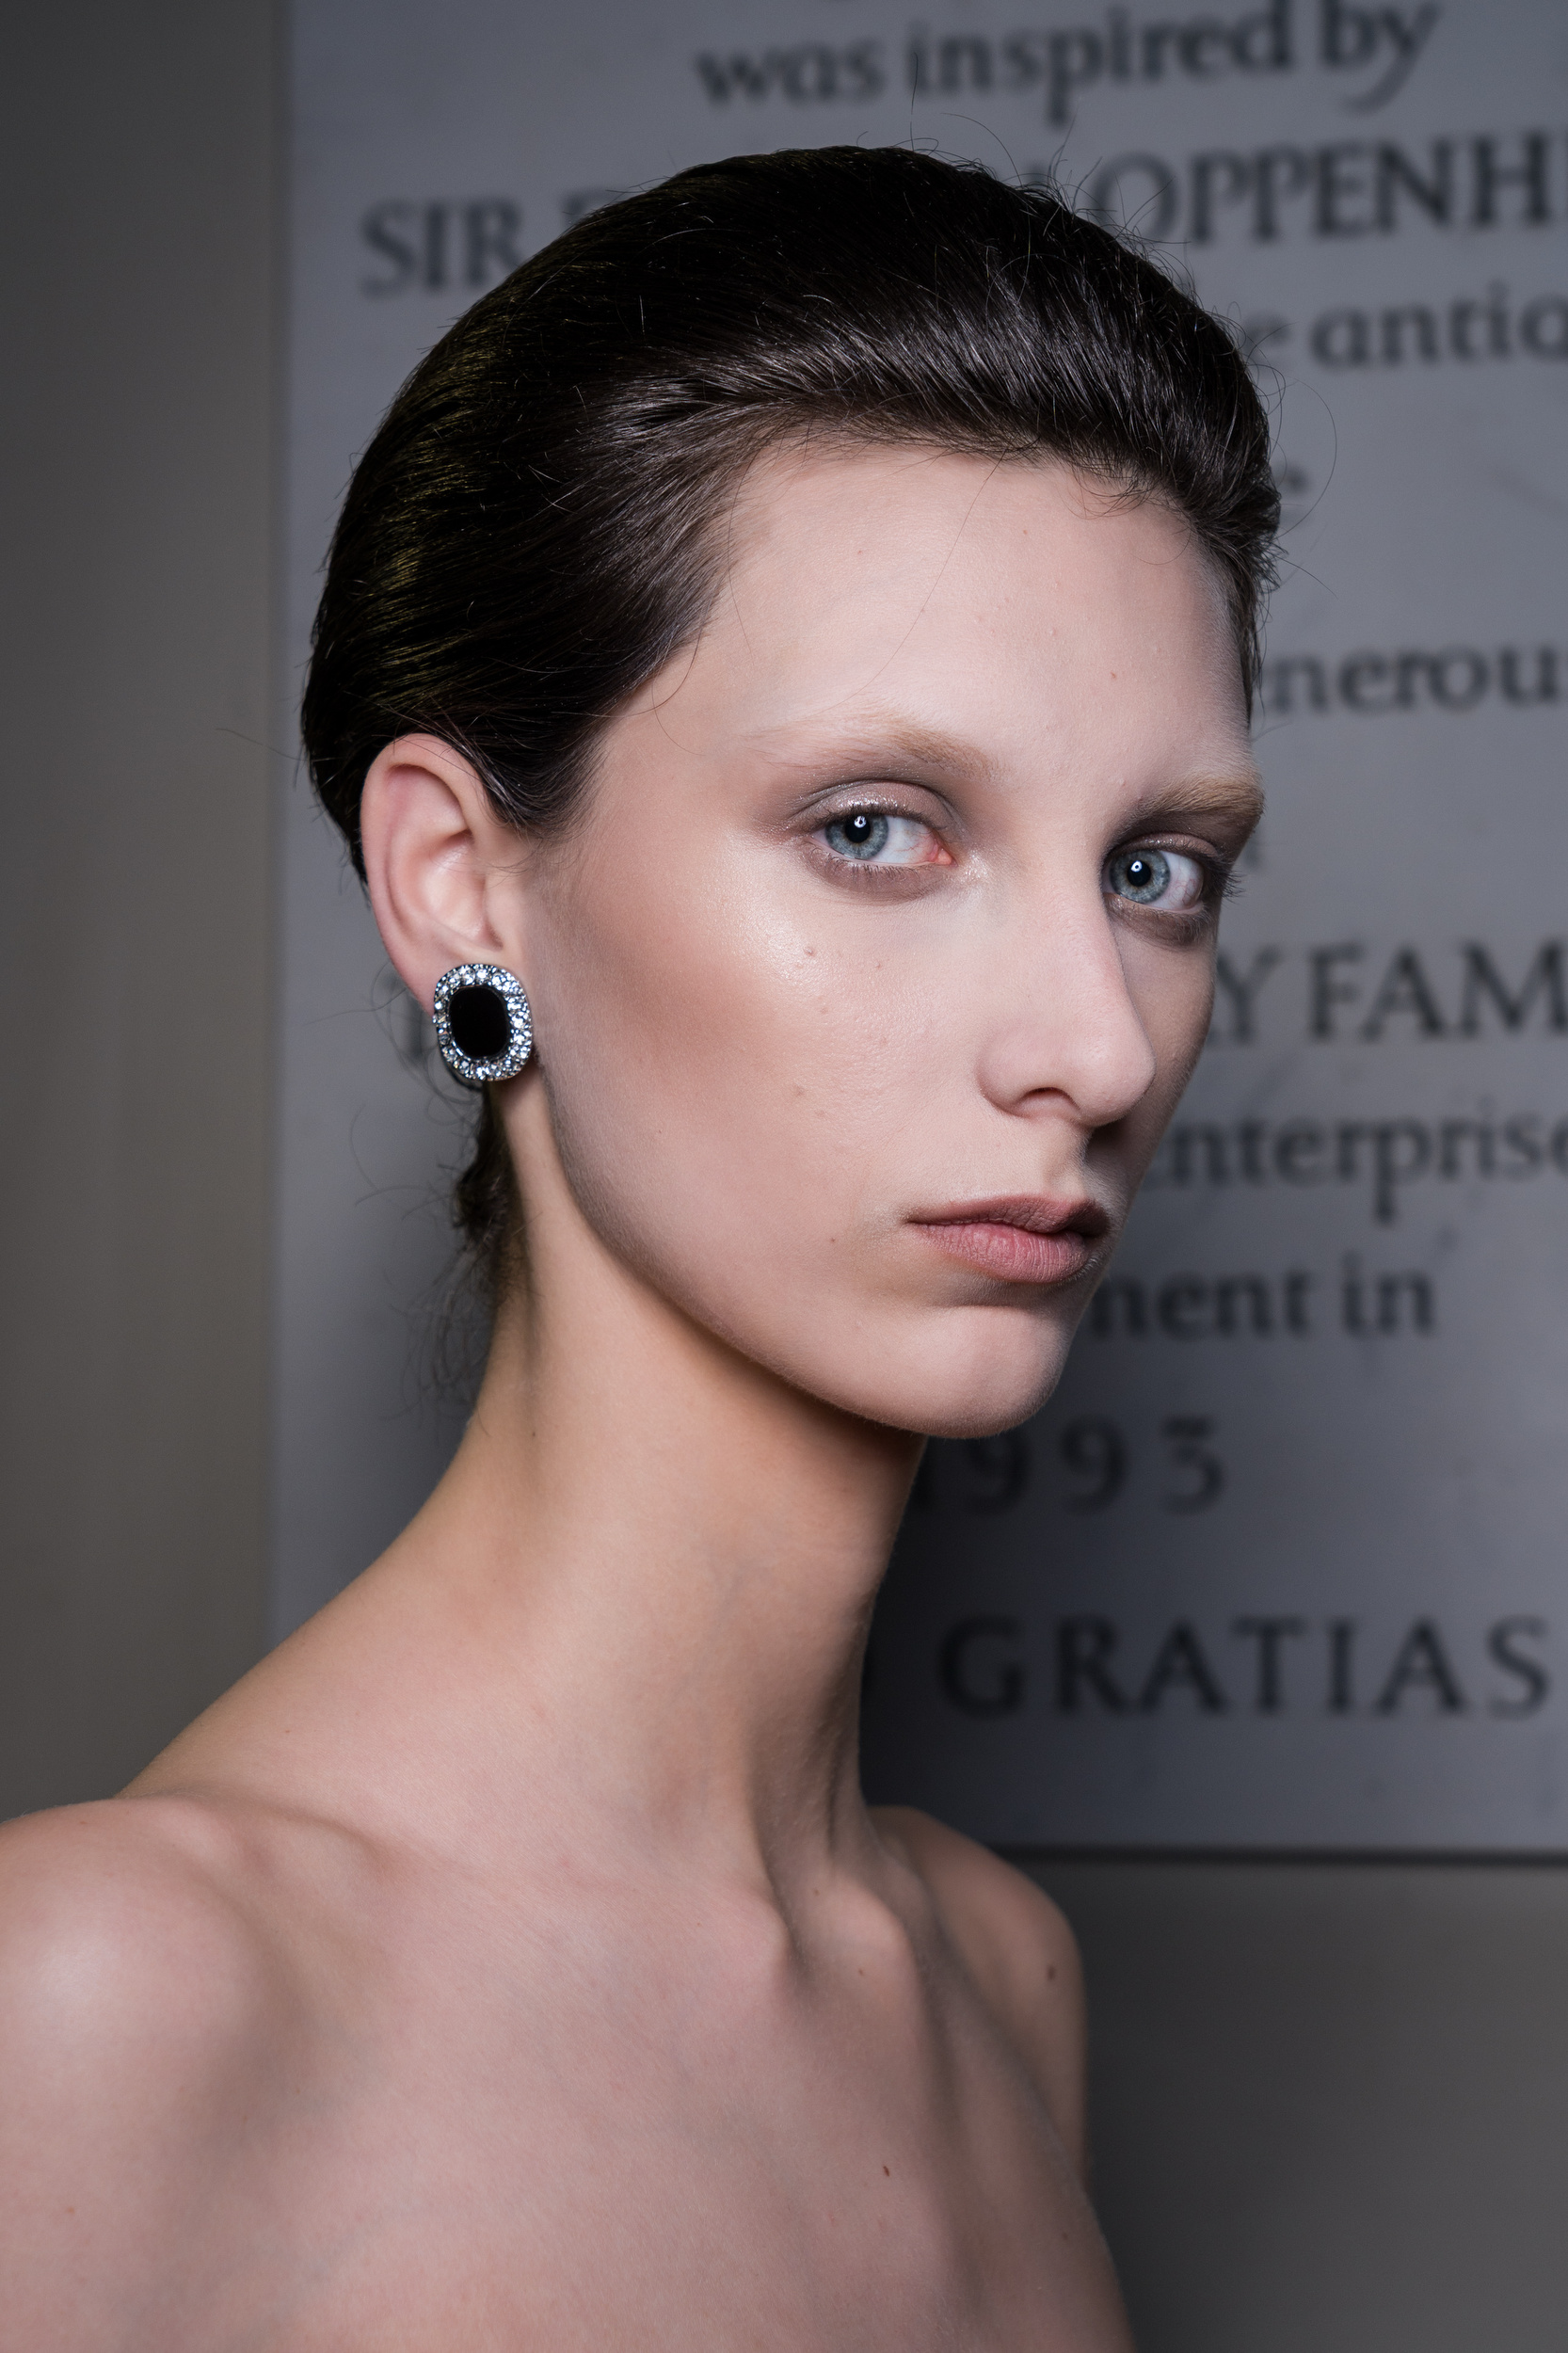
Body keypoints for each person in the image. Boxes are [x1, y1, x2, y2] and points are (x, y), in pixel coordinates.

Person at [0, 147, 1274, 2346]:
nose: (1092, 1043)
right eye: (875, 828)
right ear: (460, 885)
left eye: (1155, 866)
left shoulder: (996, 1981)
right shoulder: (102, 2012)